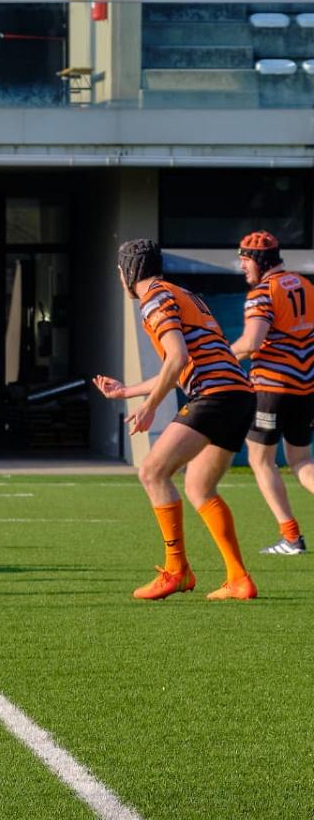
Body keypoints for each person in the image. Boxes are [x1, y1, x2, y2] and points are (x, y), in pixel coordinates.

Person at [92, 239, 257, 601]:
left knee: (152, 471)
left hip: (215, 395)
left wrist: (151, 406)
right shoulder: (183, 294)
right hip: (239, 394)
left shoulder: (154, 298)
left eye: (119, 272)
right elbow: (180, 364)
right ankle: (238, 578)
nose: (119, 279)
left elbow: (177, 358)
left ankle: (177, 571)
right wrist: (128, 391)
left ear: (128, 271)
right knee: (199, 487)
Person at [228, 231, 314, 556]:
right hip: (305, 388)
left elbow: (251, 343)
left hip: (272, 389)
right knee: (302, 461)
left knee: (260, 460)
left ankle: (291, 538)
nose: (241, 267)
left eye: (244, 260)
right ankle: (291, 539)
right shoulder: (305, 285)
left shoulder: (262, 293)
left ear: (259, 261)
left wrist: (217, 357)